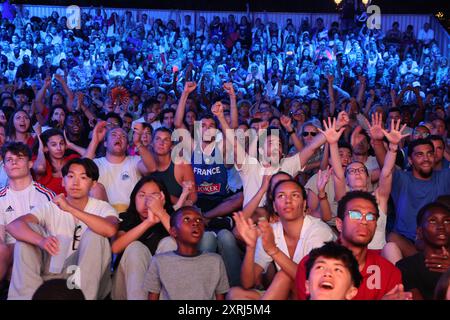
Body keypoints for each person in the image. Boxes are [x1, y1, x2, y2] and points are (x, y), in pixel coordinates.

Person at [6, 158, 119, 300]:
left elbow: (110, 230)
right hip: (52, 270)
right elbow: (13, 226)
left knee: (95, 236)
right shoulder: (51, 206)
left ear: (93, 184)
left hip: (87, 278)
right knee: (27, 234)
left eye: (83, 177)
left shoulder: (102, 207)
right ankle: (26, 297)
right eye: (71, 176)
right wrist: (41, 240)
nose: (75, 183)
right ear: (63, 181)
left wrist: (70, 209)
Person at [228, 179, 335, 300]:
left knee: (284, 275)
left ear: (304, 204)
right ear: (274, 206)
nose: (288, 201)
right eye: (281, 196)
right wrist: (250, 247)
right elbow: (248, 283)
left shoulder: (319, 230)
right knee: (235, 294)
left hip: (314, 295)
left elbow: (310, 280)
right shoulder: (270, 231)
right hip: (286, 295)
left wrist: (273, 250)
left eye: (294, 195)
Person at [296, 191, 410, 300]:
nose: (364, 221)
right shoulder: (312, 266)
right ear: (339, 224)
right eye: (355, 215)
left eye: (371, 217)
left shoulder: (389, 273)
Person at [111, 176, 186, 300]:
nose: (147, 201)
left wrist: (161, 213)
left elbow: (185, 242)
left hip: (162, 293)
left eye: (154, 196)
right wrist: (148, 222)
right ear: (134, 198)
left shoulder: (172, 219)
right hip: (125, 290)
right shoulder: (126, 218)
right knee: (135, 247)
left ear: (163, 199)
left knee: (170, 242)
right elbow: (116, 247)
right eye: (142, 195)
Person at [144, 206, 229, 300]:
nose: (195, 223)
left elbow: (220, 297)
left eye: (199, 220)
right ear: (174, 231)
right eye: (186, 219)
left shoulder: (215, 261)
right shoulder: (159, 261)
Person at [0, 142, 55, 284]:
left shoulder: (46, 195)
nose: (14, 162)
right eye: (9, 160)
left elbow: (54, 232)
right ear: (4, 167)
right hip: (9, 254)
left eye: (19, 158)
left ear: (30, 164)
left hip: (40, 248)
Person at [87, 122, 157, 212]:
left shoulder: (135, 161)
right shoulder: (97, 163)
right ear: (105, 143)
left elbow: (152, 168)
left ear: (127, 146)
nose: (118, 137)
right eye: (113, 135)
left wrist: (138, 143)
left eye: (123, 136)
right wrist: (95, 140)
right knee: (95, 188)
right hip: (104, 217)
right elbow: (81, 169)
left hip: (131, 215)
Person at [396, 202, 450, 300]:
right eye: (433, 221)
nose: (441, 226)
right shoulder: (407, 266)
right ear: (420, 231)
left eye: (447, 221)